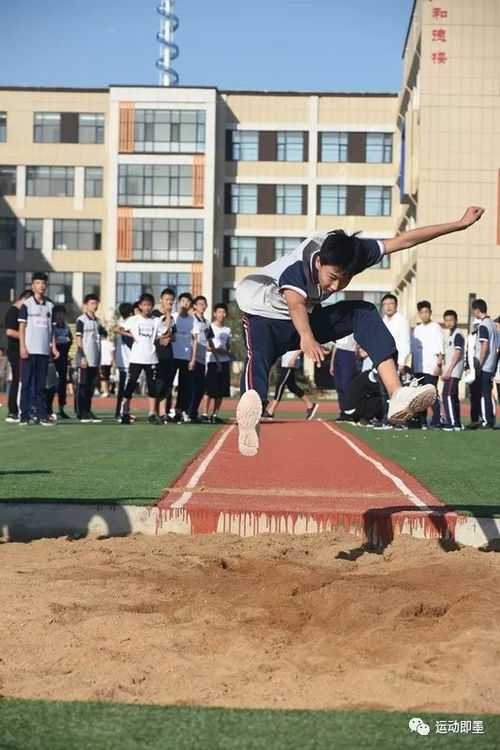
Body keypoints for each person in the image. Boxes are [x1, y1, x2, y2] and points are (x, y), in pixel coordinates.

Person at [234, 206, 484, 456]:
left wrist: (458, 224)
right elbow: (296, 304)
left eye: (344, 280)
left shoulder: (354, 253)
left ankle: (396, 392)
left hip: (307, 318)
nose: (335, 286)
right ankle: (251, 413)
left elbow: (404, 240)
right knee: (260, 354)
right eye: (331, 277)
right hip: (262, 312)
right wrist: (307, 337)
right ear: (319, 262)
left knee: (362, 313)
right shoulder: (302, 264)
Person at [116, 293, 167, 425]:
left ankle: (151, 413)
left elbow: (167, 332)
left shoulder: (156, 321)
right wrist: (131, 335)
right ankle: (125, 412)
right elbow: (117, 329)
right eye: (144, 305)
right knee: (131, 385)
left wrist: (160, 337)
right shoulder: (134, 319)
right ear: (140, 306)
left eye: (149, 305)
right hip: (136, 358)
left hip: (151, 358)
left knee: (152, 387)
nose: (147, 307)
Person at [18, 272, 59, 426]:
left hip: (43, 350)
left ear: (46, 286)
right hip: (29, 350)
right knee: (27, 383)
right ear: (32, 285)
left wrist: (53, 347)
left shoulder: (50, 306)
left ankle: (42, 415)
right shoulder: (26, 305)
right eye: (38, 283)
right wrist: (23, 346)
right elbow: (21, 327)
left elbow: (51, 330)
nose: (41, 286)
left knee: (41, 385)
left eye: (43, 283)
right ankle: (25, 415)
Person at [411, 300, 445, 429]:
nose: (424, 315)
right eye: (422, 312)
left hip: (431, 367)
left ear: (430, 312)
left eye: (426, 312)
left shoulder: (435, 327)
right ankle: (422, 420)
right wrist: (413, 367)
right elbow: (414, 350)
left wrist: (439, 365)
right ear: (419, 313)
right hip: (419, 368)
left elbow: (441, 348)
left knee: (431, 394)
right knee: (419, 395)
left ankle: (437, 419)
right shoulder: (417, 329)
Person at [75, 294, 105, 423]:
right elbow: (78, 339)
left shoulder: (97, 321)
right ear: (86, 305)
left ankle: (88, 410)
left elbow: (100, 338)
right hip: (84, 359)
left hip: (95, 359)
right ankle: (81, 412)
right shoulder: (81, 320)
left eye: (96, 303)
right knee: (82, 386)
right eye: (92, 303)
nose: (94, 306)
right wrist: (82, 357)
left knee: (91, 387)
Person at [264, 350, 318, 420]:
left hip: (290, 362)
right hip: (286, 362)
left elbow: (301, 347)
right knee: (292, 386)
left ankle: (271, 410)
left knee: (280, 384)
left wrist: (294, 358)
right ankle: (310, 404)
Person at [4, 289, 32, 423]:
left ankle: (23, 408)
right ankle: (12, 411)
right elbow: (9, 331)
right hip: (15, 350)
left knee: (24, 380)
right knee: (17, 380)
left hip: (23, 350)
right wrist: (26, 338)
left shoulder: (22, 312)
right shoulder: (13, 311)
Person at [169, 292, 198, 423]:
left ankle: (179, 411)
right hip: (172, 356)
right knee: (168, 385)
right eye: (183, 301)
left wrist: (193, 359)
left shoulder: (193, 320)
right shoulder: (173, 317)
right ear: (179, 303)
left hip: (185, 358)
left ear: (190, 305)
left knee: (184, 386)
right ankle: (166, 411)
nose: (185, 304)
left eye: (188, 302)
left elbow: (195, 340)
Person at [202, 302, 232, 424]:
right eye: (219, 312)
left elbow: (228, 347)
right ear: (215, 313)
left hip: (224, 362)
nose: (221, 315)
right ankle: (204, 413)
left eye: (224, 312)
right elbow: (205, 345)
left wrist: (228, 351)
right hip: (212, 361)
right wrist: (217, 350)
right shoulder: (209, 327)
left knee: (221, 390)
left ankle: (215, 414)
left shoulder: (227, 330)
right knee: (209, 389)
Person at [469, 299, 497, 429]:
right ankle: (489, 419)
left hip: (485, 364)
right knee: (486, 393)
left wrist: (479, 362)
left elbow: (484, 344)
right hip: (491, 363)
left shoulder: (484, 325)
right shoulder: (492, 323)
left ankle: (486, 421)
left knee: (483, 394)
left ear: (477, 310)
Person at [189, 295, 214, 423]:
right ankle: (188, 412)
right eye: (199, 304)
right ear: (194, 306)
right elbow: (192, 338)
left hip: (202, 358)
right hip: (192, 358)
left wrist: (217, 359)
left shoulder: (207, 322)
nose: (202, 306)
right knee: (192, 387)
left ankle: (193, 413)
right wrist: (191, 359)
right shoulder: (192, 320)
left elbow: (210, 341)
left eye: (204, 304)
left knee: (200, 388)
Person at [154, 288, 177, 425]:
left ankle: (163, 412)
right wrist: (167, 335)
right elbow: (159, 332)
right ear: (161, 300)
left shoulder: (172, 317)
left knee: (167, 385)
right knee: (158, 383)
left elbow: (172, 333)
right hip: (156, 354)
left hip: (169, 354)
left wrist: (170, 337)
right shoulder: (155, 315)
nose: (169, 302)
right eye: (167, 299)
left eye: (171, 300)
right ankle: (154, 411)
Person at [440, 309, 465, 431]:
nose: (449, 323)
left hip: (454, 371)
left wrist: (449, 370)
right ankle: (457, 422)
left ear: (456, 321)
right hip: (450, 371)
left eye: (451, 320)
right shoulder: (451, 335)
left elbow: (458, 352)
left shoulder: (457, 334)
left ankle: (452, 422)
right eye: (447, 320)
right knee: (453, 397)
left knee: (447, 395)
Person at [113, 302, 134, 421]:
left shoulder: (122, 322)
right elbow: (129, 342)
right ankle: (121, 412)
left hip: (123, 361)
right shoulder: (126, 324)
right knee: (125, 389)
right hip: (127, 361)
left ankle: (120, 411)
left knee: (123, 388)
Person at [329, 334, 357, 420]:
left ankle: (349, 411)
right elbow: (336, 345)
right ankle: (342, 411)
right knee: (339, 386)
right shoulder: (341, 329)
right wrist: (332, 364)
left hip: (349, 353)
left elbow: (358, 343)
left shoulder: (353, 328)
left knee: (346, 385)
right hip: (338, 353)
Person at [52, 304, 73, 419]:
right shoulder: (52, 327)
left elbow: (71, 340)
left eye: (62, 313)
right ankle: (48, 408)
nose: (60, 316)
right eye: (57, 313)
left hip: (63, 358)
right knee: (50, 383)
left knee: (62, 383)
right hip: (53, 358)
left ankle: (61, 409)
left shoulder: (66, 327)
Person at [99, 330, 114, 397]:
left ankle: (105, 391)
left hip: (102, 362)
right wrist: (113, 361)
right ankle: (107, 390)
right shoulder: (110, 343)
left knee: (102, 377)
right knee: (107, 377)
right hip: (109, 361)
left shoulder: (99, 344)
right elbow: (112, 353)